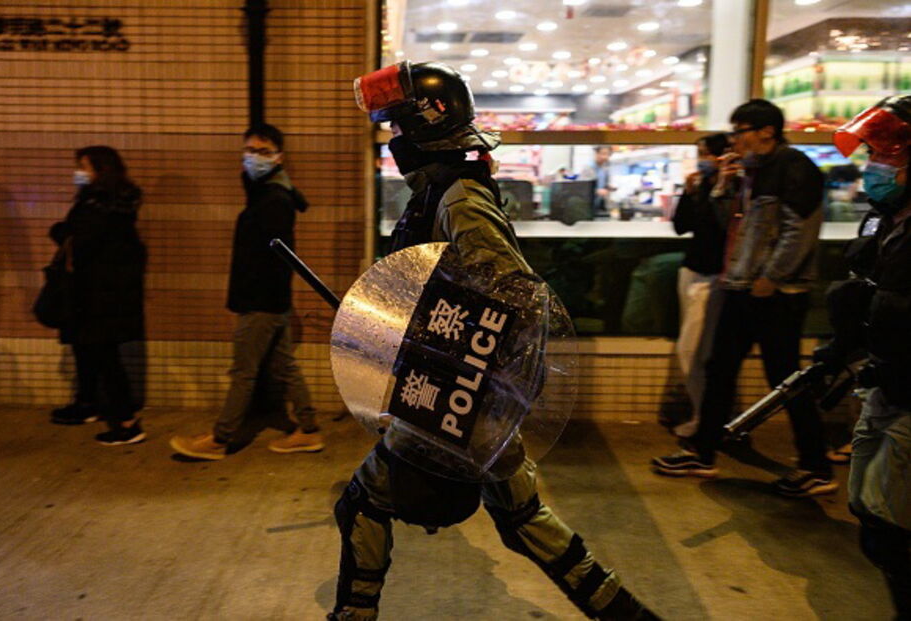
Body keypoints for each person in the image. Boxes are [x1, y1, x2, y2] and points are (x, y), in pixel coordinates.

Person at [329, 60, 658, 621]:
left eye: (397, 127)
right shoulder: (445, 189)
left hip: (456, 400)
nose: (391, 140)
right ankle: (622, 612)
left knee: (363, 502)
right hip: (474, 399)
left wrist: (453, 370)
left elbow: (515, 299)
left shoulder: (459, 200)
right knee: (522, 519)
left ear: (427, 124)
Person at [652, 99, 836, 498]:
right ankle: (703, 453)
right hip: (739, 285)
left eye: (740, 131)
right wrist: (723, 188)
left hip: (777, 293)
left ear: (766, 131)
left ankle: (816, 465)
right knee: (720, 369)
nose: (735, 140)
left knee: (785, 380)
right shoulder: (751, 171)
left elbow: (799, 229)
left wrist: (771, 277)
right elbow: (726, 228)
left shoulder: (794, 167)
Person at [169, 124, 322, 460]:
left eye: (264, 151)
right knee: (285, 367)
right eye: (249, 150)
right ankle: (308, 431)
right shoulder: (268, 194)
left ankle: (220, 439)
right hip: (273, 299)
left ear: (279, 157)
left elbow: (270, 257)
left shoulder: (273, 200)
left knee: (243, 372)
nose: (254, 157)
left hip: (261, 302)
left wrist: (252, 299)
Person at [822, 95, 911, 617]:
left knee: (888, 522)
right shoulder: (882, 222)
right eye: (872, 155)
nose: (874, 167)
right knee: (868, 510)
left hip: (908, 390)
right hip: (884, 385)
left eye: (886, 156)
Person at [48, 146, 147, 445]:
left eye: (84, 167)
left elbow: (81, 239)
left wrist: (60, 231)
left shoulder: (96, 207)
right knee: (87, 349)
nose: (79, 173)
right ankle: (87, 402)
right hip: (104, 294)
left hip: (96, 296)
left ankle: (127, 423)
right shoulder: (116, 205)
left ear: (99, 171)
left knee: (105, 356)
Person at [670, 133, 731, 439]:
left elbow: (720, 228)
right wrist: (689, 192)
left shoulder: (732, 190)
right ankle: (704, 418)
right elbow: (681, 226)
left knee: (694, 351)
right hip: (693, 270)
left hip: (712, 277)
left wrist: (718, 190)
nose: (702, 160)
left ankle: (704, 421)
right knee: (691, 350)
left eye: (706, 154)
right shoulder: (704, 186)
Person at [580, 146, 614, 217]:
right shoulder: (588, 168)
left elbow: (604, 185)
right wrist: (597, 191)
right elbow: (582, 189)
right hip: (586, 206)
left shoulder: (604, 168)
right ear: (596, 154)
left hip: (598, 205)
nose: (605, 157)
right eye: (603, 154)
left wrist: (609, 187)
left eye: (608, 154)